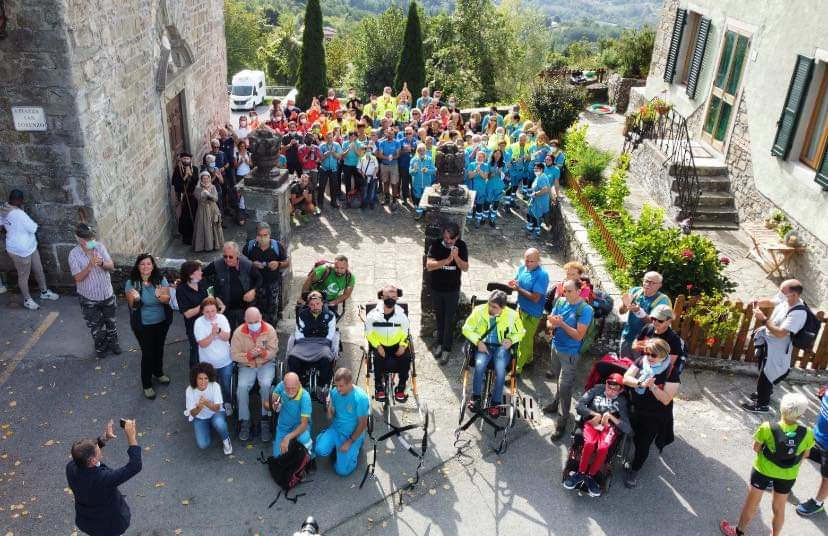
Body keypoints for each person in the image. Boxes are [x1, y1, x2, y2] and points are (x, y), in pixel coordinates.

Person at [720, 393, 814, 536]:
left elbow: (756, 448)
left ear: (781, 409)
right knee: (779, 507)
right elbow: (806, 455)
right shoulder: (807, 433)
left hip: (762, 471)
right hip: (788, 476)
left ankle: (738, 532)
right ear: (800, 415)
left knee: (752, 503)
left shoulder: (767, 427)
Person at [622, 337, 685, 488]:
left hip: (654, 415)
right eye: (647, 353)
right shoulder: (642, 361)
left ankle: (635, 469)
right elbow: (626, 378)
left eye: (653, 355)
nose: (649, 357)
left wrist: (653, 387)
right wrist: (640, 383)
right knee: (630, 433)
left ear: (664, 355)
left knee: (643, 444)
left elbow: (665, 400)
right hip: (635, 408)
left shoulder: (671, 372)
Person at [742, 279, 809, 413]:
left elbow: (781, 334)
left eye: (783, 292)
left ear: (794, 295)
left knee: (767, 375)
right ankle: (764, 393)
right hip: (769, 342)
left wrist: (764, 319)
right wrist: (758, 302)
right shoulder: (787, 298)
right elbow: (772, 301)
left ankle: (762, 405)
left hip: (778, 349)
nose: (780, 294)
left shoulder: (798, 313)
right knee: (763, 370)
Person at [66, 419, 141, 536]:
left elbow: (84, 453)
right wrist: (131, 437)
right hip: (109, 526)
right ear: (93, 460)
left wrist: (105, 438)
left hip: (87, 521)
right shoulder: (103, 479)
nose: (100, 451)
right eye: (98, 451)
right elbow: (135, 466)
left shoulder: (71, 467)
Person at [564, 372, 632, 497]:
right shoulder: (596, 390)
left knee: (603, 448)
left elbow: (627, 428)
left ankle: (590, 476)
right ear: (605, 384)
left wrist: (611, 416)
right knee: (589, 443)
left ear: (621, 390)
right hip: (592, 422)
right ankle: (580, 473)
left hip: (609, 428)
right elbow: (579, 405)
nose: (611, 391)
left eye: (615, 389)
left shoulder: (621, 401)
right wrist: (594, 414)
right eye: (608, 387)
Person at [461, 290, 525, 418]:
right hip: (483, 345)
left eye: (495, 307)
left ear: (503, 308)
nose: (490, 308)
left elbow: (521, 332)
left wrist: (511, 340)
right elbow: (466, 328)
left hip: (501, 348)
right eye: (490, 304)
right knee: (479, 366)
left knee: (500, 371)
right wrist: (477, 341)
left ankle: (495, 403)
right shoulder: (479, 310)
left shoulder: (512, 315)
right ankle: (476, 398)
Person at [546, 279, 595, 439]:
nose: (565, 294)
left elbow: (579, 335)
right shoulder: (560, 301)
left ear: (579, 291)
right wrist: (552, 324)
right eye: (564, 291)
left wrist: (561, 324)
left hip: (571, 354)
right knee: (558, 379)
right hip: (555, 347)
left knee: (565, 387)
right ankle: (555, 403)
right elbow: (549, 321)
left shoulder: (585, 310)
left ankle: (562, 422)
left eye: (569, 291)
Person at [68, 223, 120, 359]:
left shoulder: (99, 247)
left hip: (106, 293)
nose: (88, 242)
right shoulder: (73, 254)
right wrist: (89, 266)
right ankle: (101, 347)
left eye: (90, 239)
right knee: (96, 326)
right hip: (89, 298)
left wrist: (102, 263)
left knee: (111, 322)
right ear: (78, 239)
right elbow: (77, 278)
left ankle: (114, 343)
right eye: (84, 239)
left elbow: (111, 266)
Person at [1, 189, 59, 310]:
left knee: (38, 269)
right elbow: (33, 228)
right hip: (20, 251)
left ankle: (44, 292)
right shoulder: (19, 214)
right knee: (23, 275)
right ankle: (27, 300)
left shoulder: (3, 208)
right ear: (19, 200)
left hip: (30, 247)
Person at [125, 254, 171, 399]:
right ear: (138, 266)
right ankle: (147, 384)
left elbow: (167, 300)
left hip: (161, 322)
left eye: (149, 264)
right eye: (143, 264)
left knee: (159, 349)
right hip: (143, 325)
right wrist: (136, 298)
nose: (146, 267)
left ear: (153, 266)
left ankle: (158, 373)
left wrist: (159, 295)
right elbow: (132, 306)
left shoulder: (160, 280)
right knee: (147, 353)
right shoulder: (132, 283)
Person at [231, 307, 278, 442]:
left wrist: (264, 353)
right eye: (250, 322)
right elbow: (234, 355)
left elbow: (274, 351)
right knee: (241, 387)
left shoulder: (269, 330)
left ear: (261, 317)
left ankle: (265, 419)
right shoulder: (238, 333)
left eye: (256, 321)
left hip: (265, 364)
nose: (254, 324)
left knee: (266, 385)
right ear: (245, 320)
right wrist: (248, 356)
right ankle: (244, 420)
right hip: (247, 365)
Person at [426, 223, 469, 365]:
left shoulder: (461, 246)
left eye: (451, 239)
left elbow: (465, 268)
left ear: (457, 237)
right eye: (446, 238)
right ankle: (439, 344)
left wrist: (456, 257)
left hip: (452, 290)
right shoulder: (436, 245)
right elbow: (429, 266)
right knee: (439, 318)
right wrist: (446, 260)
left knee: (449, 320)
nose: (448, 241)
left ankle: (446, 349)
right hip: (437, 289)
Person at [315, 367, 369, 476]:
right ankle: (336, 448)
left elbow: (363, 424)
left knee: (342, 471)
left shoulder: (360, 398)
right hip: (336, 430)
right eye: (336, 386)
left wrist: (349, 442)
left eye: (341, 386)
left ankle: (356, 447)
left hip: (352, 435)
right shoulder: (334, 393)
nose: (338, 389)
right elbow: (330, 417)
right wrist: (329, 406)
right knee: (320, 450)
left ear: (350, 383)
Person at [365, 285, 411, 402]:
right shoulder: (372, 315)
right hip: (380, 345)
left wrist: (403, 345)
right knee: (377, 358)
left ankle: (400, 388)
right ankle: (379, 387)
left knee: (406, 358)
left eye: (393, 297)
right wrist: (377, 346)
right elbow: (369, 333)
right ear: (382, 296)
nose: (391, 299)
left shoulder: (402, 315)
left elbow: (405, 332)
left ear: (397, 298)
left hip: (397, 345)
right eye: (388, 296)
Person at [202, 242, 261, 331]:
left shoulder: (247, 264)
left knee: (246, 333)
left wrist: (254, 291)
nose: (227, 259)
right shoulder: (217, 264)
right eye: (225, 256)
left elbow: (259, 278)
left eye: (231, 257)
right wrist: (212, 295)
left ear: (237, 255)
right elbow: (202, 276)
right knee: (228, 333)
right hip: (226, 309)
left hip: (244, 308)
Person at [508, 248, 549, 375]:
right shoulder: (522, 268)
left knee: (523, 340)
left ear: (538, 261)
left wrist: (518, 289)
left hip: (532, 314)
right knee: (527, 338)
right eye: (527, 260)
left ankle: (516, 369)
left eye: (532, 261)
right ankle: (529, 359)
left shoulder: (542, 276)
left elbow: (535, 298)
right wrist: (513, 284)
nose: (528, 263)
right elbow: (516, 282)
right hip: (521, 308)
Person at [176, 260, 225, 368]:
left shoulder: (203, 282)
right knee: (196, 351)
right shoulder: (181, 290)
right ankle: (195, 377)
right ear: (190, 274)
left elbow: (212, 295)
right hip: (194, 327)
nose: (202, 273)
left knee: (210, 348)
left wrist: (220, 304)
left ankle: (209, 374)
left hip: (209, 323)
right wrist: (203, 305)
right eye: (199, 271)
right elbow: (187, 314)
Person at [193, 297, 234, 413]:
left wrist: (219, 331)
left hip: (225, 361)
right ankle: (214, 405)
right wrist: (212, 334)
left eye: (213, 311)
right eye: (207, 311)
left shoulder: (222, 318)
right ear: (202, 311)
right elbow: (202, 344)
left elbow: (227, 337)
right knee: (211, 387)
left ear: (217, 309)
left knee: (226, 385)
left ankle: (227, 402)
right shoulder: (199, 323)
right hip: (208, 364)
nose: (210, 314)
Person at [243, 224, 289, 325]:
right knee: (255, 309)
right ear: (256, 236)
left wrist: (278, 264)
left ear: (269, 235)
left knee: (272, 309)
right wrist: (252, 264)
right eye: (260, 235)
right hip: (255, 285)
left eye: (265, 235)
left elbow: (287, 262)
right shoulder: (250, 246)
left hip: (272, 284)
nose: (263, 238)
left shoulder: (277, 246)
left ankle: (271, 330)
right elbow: (241, 261)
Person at [618, 271, 671, 358]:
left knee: (640, 369)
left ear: (659, 285)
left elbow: (656, 323)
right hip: (627, 336)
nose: (648, 284)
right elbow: (621, 311)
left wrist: (639, 312)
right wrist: (624, 305)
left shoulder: (662, 300)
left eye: (652, 283)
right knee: (623, 365)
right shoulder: (635, 291)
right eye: (646, 281)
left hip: (646, 343)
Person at [290, 291, 337, 390]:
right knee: (293, 357)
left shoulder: (330, 315)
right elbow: (299, 333)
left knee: (326, 358)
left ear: (322, 303)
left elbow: (331, 334)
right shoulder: (302, 315)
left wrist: (325, 343)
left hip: (323, 343)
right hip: (304, 342)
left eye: (317, 304)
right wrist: (302, 343)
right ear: (308, 305)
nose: (315, 306)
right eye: (312, 305)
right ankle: (299, 382)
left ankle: (322, 385)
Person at [185, 362, 233, 454]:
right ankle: (209, 426)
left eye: (206, 378)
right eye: (200, 378)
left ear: (209, 378)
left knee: (219, 423)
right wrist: (199, 407)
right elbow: (193, 413)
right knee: (203, 444)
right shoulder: (189, 390)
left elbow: (217, 408)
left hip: (215, 413)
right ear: (195, 378)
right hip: (200, 418)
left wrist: (207, 403)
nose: (203, 382)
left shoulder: (215, 386)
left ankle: (226, 439)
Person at [796, 384, 828, 516]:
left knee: (827, 477)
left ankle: (818, 502)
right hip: (816, 436)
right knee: (799, 453)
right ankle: (784, 479)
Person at [266, 372, 314, 457]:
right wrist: (273, 405)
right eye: (287, 388)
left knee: (304, 439)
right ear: (283, 384)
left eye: (293, 388)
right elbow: (268, 403)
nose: (290, 391)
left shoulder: (305, 397)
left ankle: (309, 456)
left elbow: (303, 425)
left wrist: (288, 437)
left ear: (299, 384)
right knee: (278, 457)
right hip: (284, 426)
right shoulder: (281, 386)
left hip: (300, 426)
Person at [192, 171, 224, 252]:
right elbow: (198, 198)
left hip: (213, 209)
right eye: (204, 178)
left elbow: (216, 199)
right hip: (203, 210)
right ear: (201, 179)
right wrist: (203, 194)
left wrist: (209, 194)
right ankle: (204, 246)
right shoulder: (198, 188)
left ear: (209, 178)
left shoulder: (212, 187)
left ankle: (215, 244)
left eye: (207, 178)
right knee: (204, 227)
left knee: (214, 226)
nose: (206, 180)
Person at [171, 152, 198, 245]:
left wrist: (190, 175)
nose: (186, 160)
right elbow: (176, 184)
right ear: (181, 160)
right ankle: (187, 238)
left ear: (190, 160)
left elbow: (196, 181)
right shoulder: (177, 170)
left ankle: (195, 236)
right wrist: (185, 176)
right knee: (185, 218)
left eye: (187, 158)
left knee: (194, 216)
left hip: (192, 197)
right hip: (184, 198)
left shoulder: (194, 169)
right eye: (184, 158)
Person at [409, 143, 435, 219]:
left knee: (426, 198)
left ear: (426, 151)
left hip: (427, 184)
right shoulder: (414, 160)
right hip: (417, 183)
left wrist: (427, 170)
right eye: (419, 150)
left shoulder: (429, 159)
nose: (421, 152)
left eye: (423, 150)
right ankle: (419, 213)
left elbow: (434, 170)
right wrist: (414, 170)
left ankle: (425, 213)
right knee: (417, 198)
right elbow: (410, 172)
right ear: (417, 151)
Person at [376, 128, 401, 208]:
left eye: (391, 133)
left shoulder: (397, 142)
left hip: (394, 165)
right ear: (386, 133)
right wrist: (387, 158)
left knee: (394, 183)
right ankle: (387, 198)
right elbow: (380, 154)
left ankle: (394, 200)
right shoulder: (382, 143)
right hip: (384, 165)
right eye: (388, 133)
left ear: (394, 134)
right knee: (385, 182)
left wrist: (392, 157)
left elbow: (398, 155)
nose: (390, 135)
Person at [525, 163, 551, 239]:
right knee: (532, 214)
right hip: (536, 200)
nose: (535, 170)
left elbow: (545, 189)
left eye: (537, 168)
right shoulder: (540, 176)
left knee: (536, 216)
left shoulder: (542, 178)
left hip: (539, 201)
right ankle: (532, 229)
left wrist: (536, 194)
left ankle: (536, 233)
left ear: (542, 169)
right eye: (535, 168)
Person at [318, 132, 342, 209]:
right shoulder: (322, 146)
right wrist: (326, 154)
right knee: (321, 186)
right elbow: (319, 159)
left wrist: (333, 153)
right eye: (328, 138)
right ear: (325, 138)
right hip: (324, 169)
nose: (330, 139)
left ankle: (333, 202)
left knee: (333, 187)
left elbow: (339, 157)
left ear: (333, 137)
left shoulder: (337, 145)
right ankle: (320, 203)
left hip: (333, 169)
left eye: (331, 137)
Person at [466, 150, 490, 227]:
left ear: (484, 158)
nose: (480, 158)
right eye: (478, 156)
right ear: (476, 157)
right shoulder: (471, 164)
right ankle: (469, 218)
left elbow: (485, 177)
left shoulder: (486, 166)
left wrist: (479, 171)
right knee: (470, 204)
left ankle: (478, 220)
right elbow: (469, 176)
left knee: (479, 205)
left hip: (481, 188)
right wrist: (476, 171)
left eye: (482, 157)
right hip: (472, 187)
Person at [358, 145, 380, 210]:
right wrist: (362, 174)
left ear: (371, 151)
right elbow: (358, 168)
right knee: (365, 191)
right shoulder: (362, 158)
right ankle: (364, 204)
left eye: (369, 150)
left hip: (373, 177)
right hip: (365, 177)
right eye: (367, 150)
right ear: (365, 151)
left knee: (372, 191)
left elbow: (376, 167)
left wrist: (374, 174)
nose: (368, 152)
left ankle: (371, 203)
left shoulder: (374, 158)